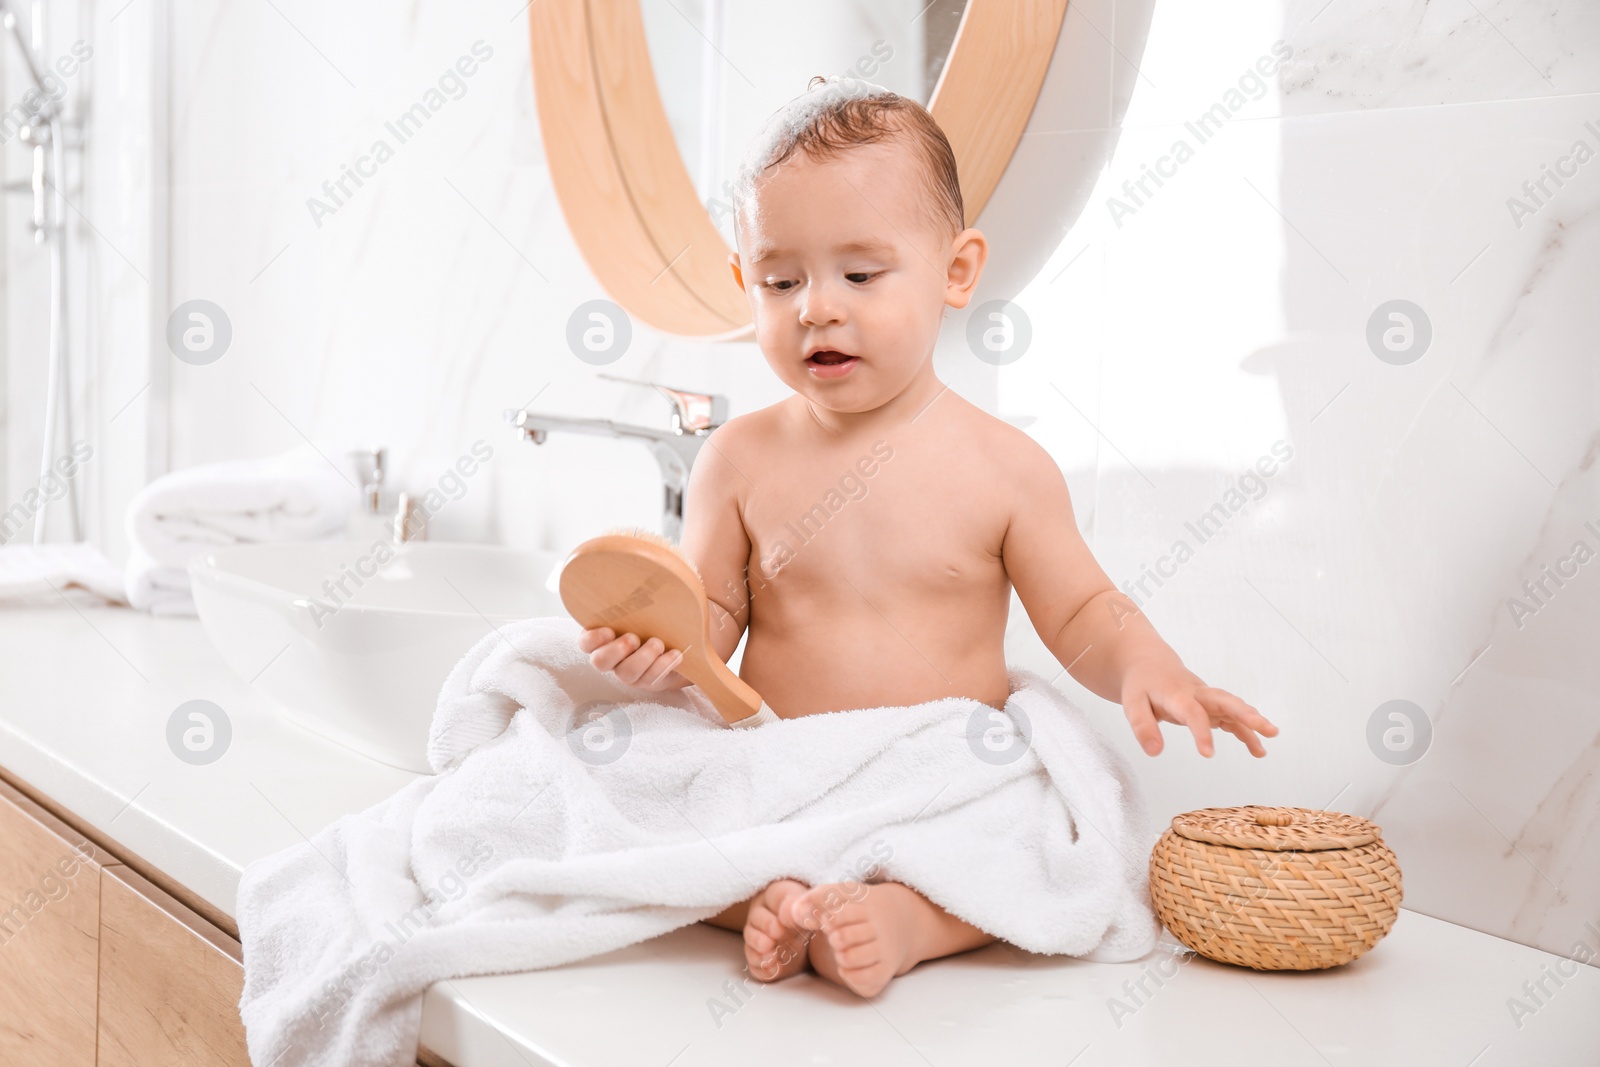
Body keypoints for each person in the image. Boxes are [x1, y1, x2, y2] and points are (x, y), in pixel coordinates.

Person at [577, 75, 1277, 998]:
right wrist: (666, 648)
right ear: (746, 283)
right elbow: (710, 615)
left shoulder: (1004, 468)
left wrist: (1152, 667)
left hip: (941, 771)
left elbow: (1082, 611)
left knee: (1022, 831)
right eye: (782, 280)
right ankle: (766, 893)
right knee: (651, 807)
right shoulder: (737, 460)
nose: (817, 306)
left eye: (861, 275)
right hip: (783, 758)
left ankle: (911, 917)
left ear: (956, 270)